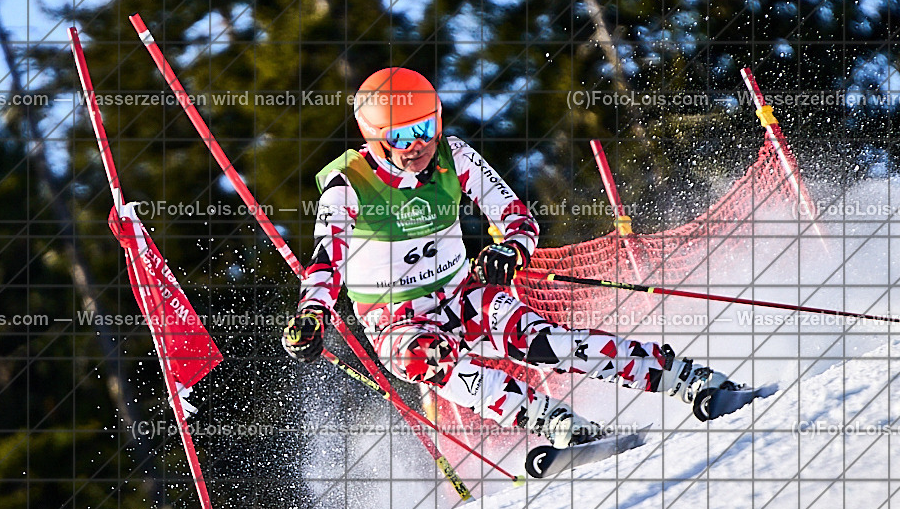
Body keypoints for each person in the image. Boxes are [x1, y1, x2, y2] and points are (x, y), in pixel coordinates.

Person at [280, 67, 740, 449]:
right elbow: (327, 259)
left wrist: (511, 248)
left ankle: (686, 378)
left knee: (543, 343)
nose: (419, 144)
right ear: (376, 137)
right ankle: (558, 424)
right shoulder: (348, 184)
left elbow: (518, 218)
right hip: (398, 320)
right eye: (403, 136)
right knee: (426, 357)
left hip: (463, 294)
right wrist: (312, 314)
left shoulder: (453, 156)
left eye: (427, 126)